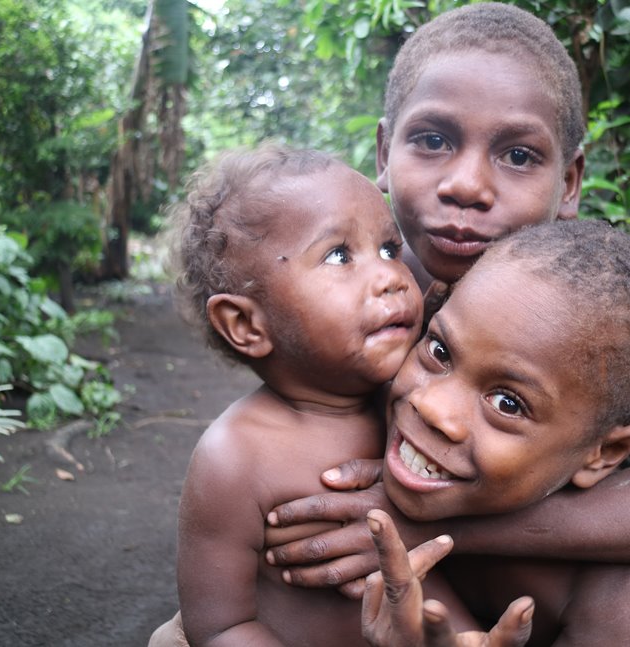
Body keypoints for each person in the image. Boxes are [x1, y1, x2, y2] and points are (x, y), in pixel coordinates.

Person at [263, 4, 630, 645]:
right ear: (382, 152)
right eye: (431, 141)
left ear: (568, 183)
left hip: (540, 522)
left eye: (516, 155)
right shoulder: (366, 286)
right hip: (449, 507)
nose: (467, 185)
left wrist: (426, 527)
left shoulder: (588, 310)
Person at [364, 220, 630, 647]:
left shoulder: (627, 591)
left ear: (603, 454)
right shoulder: (372, 398)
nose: (431, 407)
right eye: (439, 351)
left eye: (508, 403)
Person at [149, 143, 434, 646]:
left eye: (390, 249)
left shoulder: (417, 401)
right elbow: (219, 625)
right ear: (245, 324)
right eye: (339, 255)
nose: (390, 276)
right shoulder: (235, 457)